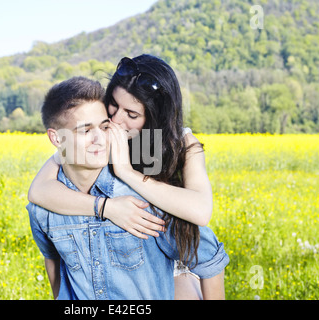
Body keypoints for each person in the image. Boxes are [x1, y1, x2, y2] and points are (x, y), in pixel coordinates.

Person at [29, 55, 228, 299]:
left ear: (153, 119)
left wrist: (127, 172)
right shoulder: (91, 141)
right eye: (113, 104)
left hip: (173, 263)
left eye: (132, 115)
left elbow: (200, 213)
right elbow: (39, 191)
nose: (115, 120)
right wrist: (106, 208)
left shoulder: (181, 145)